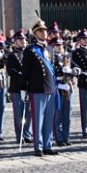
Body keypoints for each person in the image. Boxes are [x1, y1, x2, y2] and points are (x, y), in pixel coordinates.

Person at [22, 18, 59, 157]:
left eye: (44, 31)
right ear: (35, 34)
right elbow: (25, 71)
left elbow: (53, 69)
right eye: (40, 31)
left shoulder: (49, 49)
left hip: (50, 87)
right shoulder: (30, 50)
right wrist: (23, 88)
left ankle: (47, 145)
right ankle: (38, 146)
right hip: (37, 88)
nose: (44, 33)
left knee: (49, 118)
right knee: (38, 119)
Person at [6, 29, 32, 144]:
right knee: (19, 113)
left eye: (24, 39)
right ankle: (20, 135)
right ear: (15, 41)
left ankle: (27, 133)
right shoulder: (12, 55)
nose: (23, 41)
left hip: (28, 87)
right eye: (20, 40)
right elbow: (10, 71)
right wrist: (21, 74)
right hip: (16, 88)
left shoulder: (29, 53)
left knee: (28, 112)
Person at [71, 29, 87, 140]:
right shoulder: (76, 53)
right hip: (84, 82)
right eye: (84, 39)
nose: (86, 41)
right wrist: (81, 72)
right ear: (80, 40)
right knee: (85, 108)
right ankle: (85, 130)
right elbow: (74, 65)